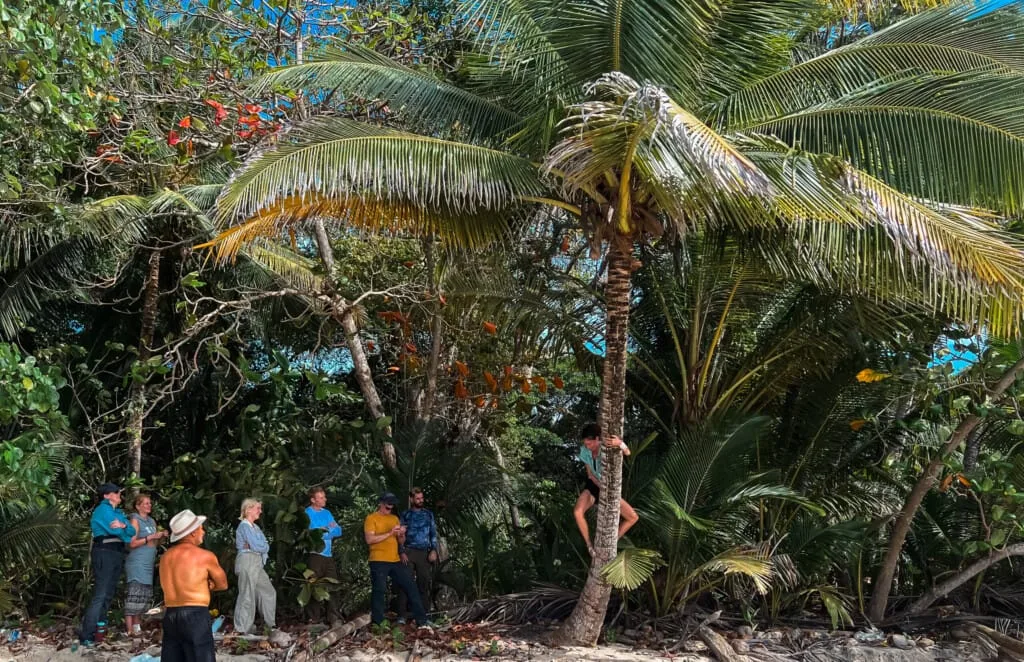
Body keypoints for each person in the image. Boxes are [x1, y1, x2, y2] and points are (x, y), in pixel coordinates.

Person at [160, 509, 228, 662]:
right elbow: (223, 584)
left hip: (171, 614)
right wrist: (209, 585)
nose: (203, 531)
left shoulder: (166, 557)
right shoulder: (204, 556)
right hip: (195, 614)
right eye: (200, 528)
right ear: (192, 533)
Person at [363, 492, 431, 628]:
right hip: (378, 560)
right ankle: (378, 623)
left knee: (411, 586)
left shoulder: (394, 518)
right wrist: (390, 533)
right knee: (379, 590)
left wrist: (401, 535)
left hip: (395, 560)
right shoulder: (371, 518)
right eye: (388, 503)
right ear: (381, 503)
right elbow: (370, 540)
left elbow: (401, 541)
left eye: (392, 503)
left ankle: (422, 620)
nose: (390, 506)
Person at [80, 483, 136, 645]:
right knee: (101, 593)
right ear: (106, 495)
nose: (119, 494)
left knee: (108, 593)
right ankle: (87, 634)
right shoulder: (103, 510)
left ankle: (99, 632)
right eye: (116, 492)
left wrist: (124, 526)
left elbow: (131, 531)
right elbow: (117, 532)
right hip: (105, 551)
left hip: (116, 552)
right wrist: (123, 529)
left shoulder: (117, 512)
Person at [573, 422, 639, 555]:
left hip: (609, 489)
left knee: (633, 517)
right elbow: (590, 475)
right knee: (577, 512)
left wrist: (620, 443)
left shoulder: (607, 448)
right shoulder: (584, 451)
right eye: (586, 444)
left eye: (590, 443)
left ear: (598, 439)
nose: (588, 446)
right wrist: (599, 485)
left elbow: (627, 452)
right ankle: (589, 546)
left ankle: (612, 542)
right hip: (593, 486)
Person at [124, 492, 168, 636]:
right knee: (134, 593)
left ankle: (137, 626)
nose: (149, 505)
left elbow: (153, 542)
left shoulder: (151, 521)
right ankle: (129, 629)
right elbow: (131, 543)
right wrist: (150, 536)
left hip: (148, 562)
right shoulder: (135, 520)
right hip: (137, 561)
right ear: (138, 506)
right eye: (146, 503)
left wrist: (161, 536)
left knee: (143, 594)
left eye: (150, 503)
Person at [233, 498, 277, 635]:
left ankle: (270, 625)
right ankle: (242, 628)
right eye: (258, 508)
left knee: (268, 591)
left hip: (257, 562)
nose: (260, 511)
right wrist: (259, 546)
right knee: (247, 594)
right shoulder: (244, 526)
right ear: (248, 510)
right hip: (247, 561)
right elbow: (258, 545)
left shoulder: (255, 527)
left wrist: (259, 546)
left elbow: (264, 545)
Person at [398, 487, 438, 623]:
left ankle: (423, 615)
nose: (421, 501)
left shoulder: (428, 514)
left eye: (422, 498)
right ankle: (402, 615)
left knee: (423, 583)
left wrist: (433, 550)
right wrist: (402, 551)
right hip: (409, 551)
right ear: (411, 499)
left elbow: (433, 533)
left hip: (423, 553)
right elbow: (399, 535)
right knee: (405, 583)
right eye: (418, 499)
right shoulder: (405, 515)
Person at [304, 486, 343, 625]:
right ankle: (313, 618)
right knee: (313, 585)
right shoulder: (307, 513)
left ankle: (333, 617)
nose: (324, 499)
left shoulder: (327, 513)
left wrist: (325, 533)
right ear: (313, 500)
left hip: (328, 554)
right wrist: (325, 532)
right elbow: (312, 534)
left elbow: (338, 530)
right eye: (321, 497)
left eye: (324, 497)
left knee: (332, 584)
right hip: (315, 554)